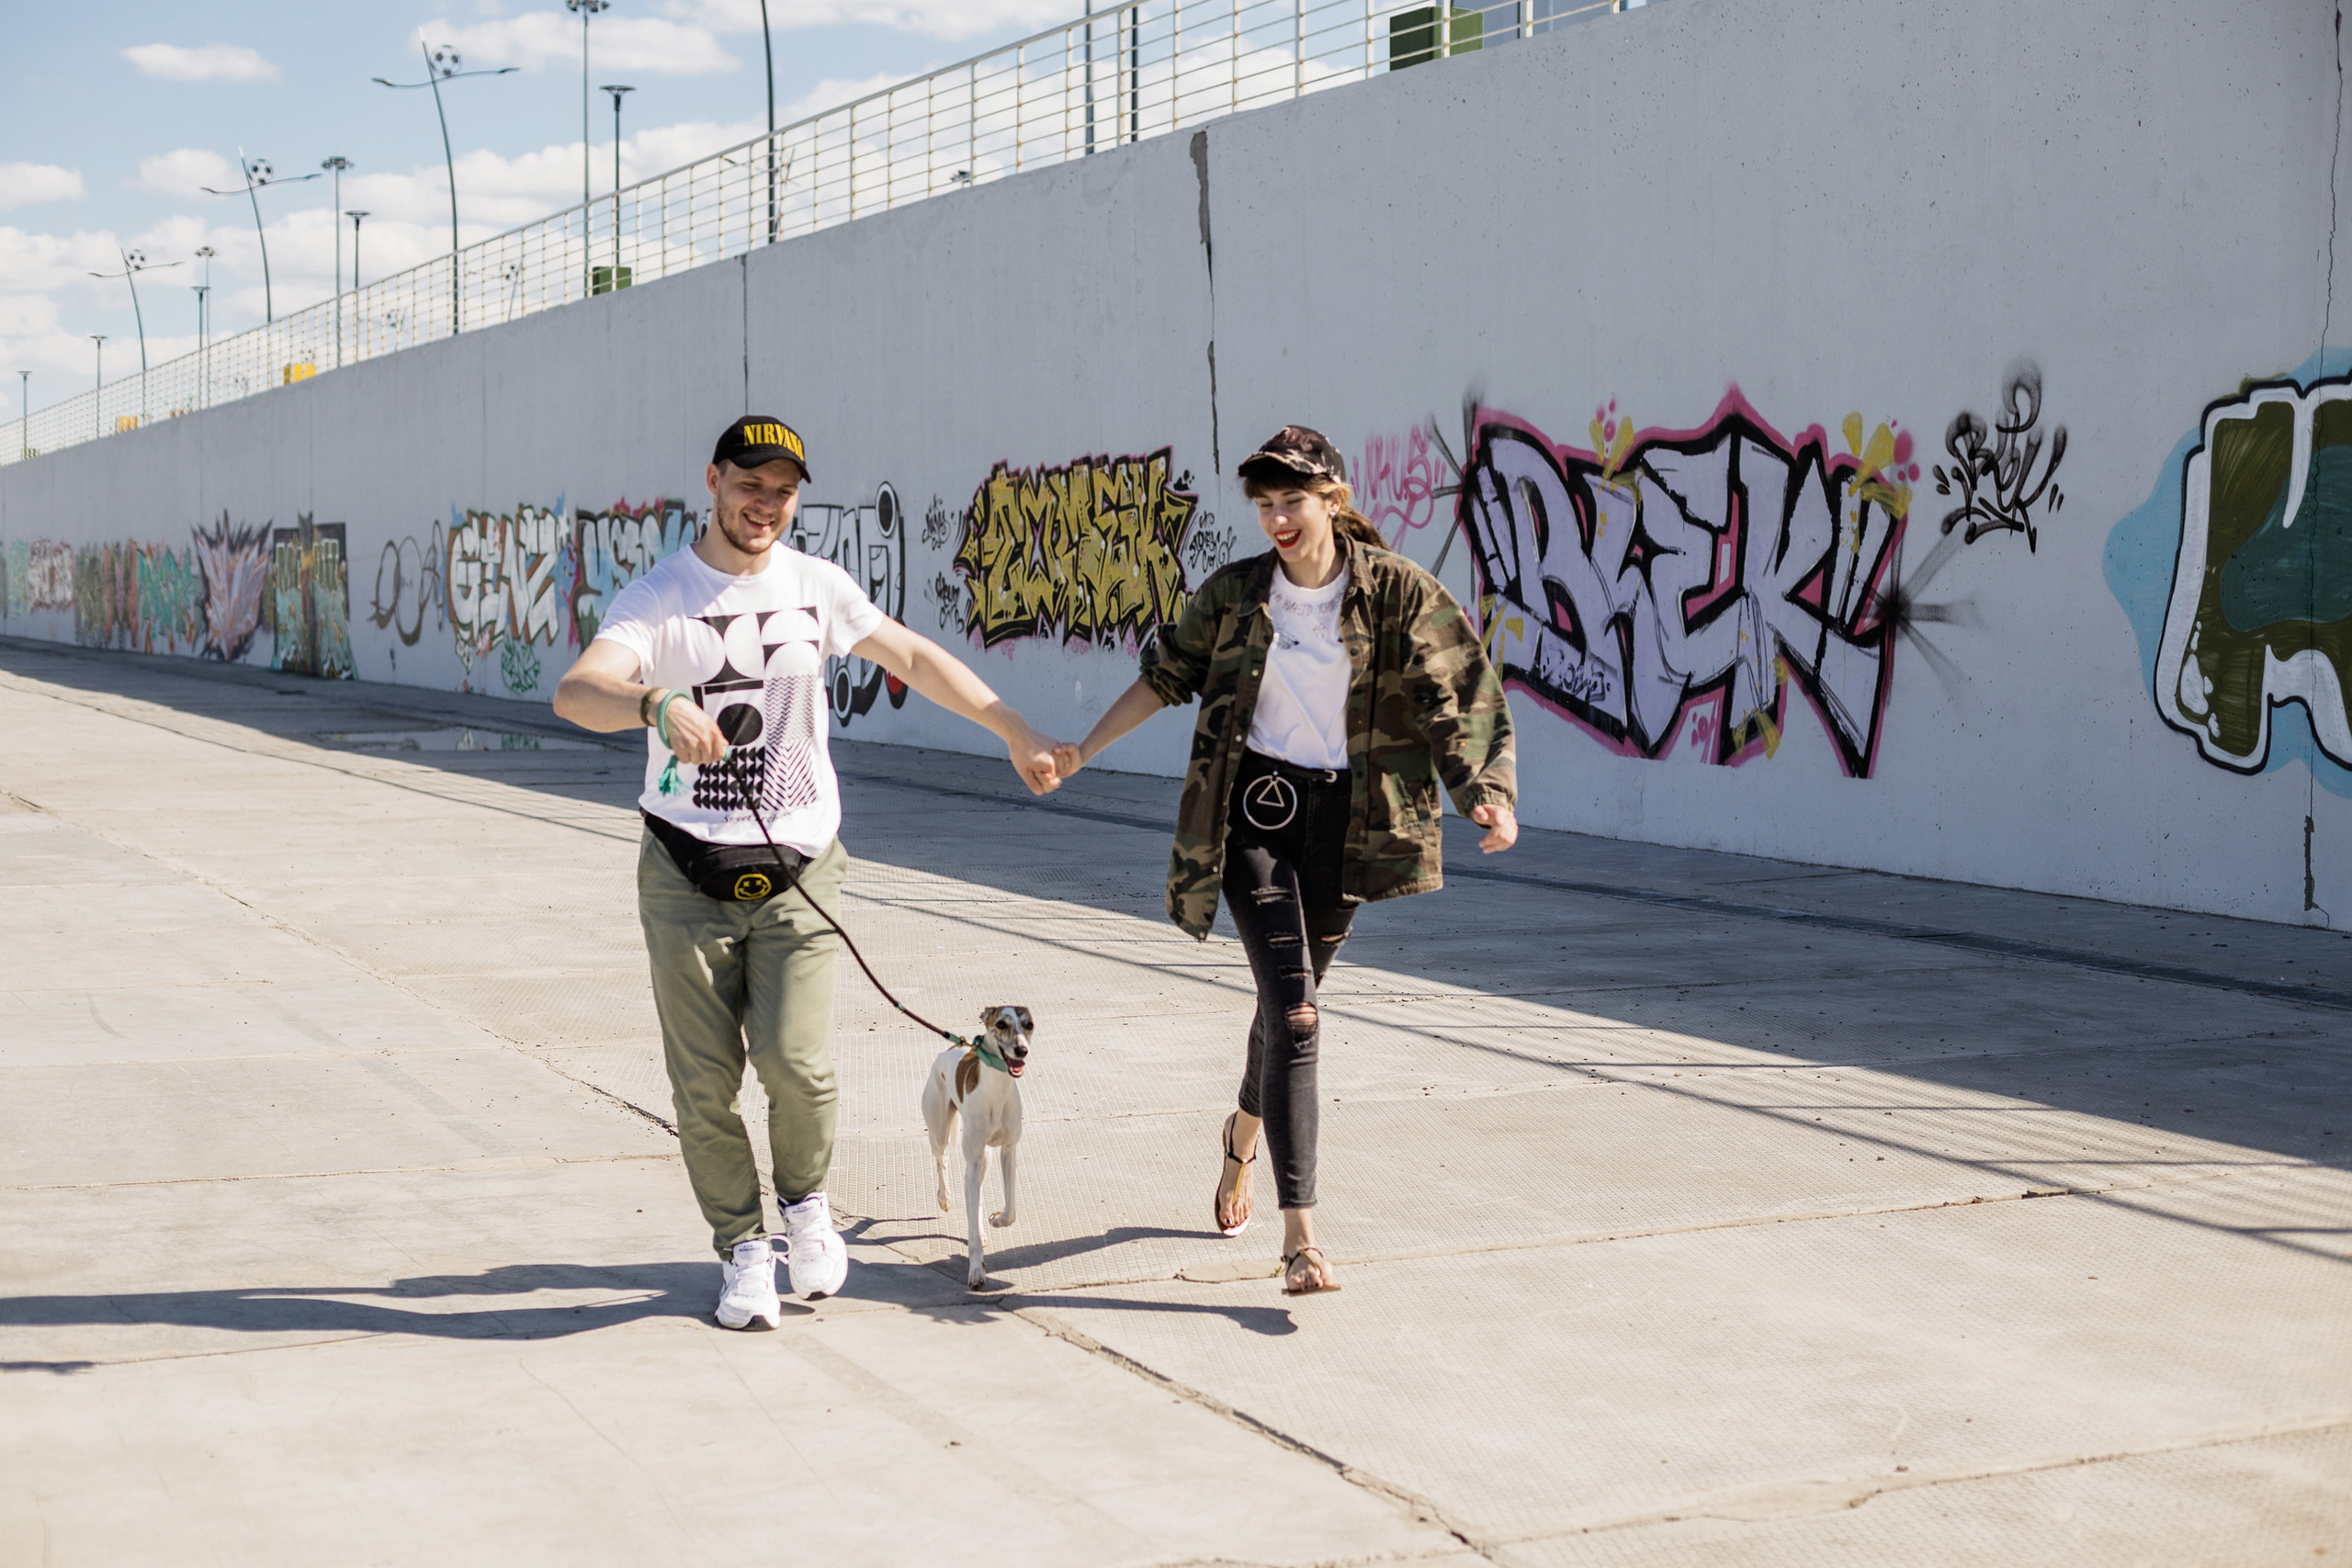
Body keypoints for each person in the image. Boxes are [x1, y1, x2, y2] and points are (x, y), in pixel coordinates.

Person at [554, 415, 1064, 1329]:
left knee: (798, 1064)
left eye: (784, 489)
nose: (766, 504)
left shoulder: (815, 586)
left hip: (799, 860)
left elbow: (908, 655)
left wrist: (1012, 727)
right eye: (750, 483)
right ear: (712, 480)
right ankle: (743, 1250)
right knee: (704, 1082)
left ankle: (805, 1211)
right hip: (684, 863)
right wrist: (652, 700)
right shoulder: (661, 595)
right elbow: (577, 690)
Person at [1055, 425, 1517, 1296]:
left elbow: (1461, 690)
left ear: (1333, 500)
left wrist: (1486, 791)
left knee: (1284, 1005)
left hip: (1349, 821)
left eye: (1292, 501)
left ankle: (1240, 1133)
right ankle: (1301, 1237)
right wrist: (1082, 748)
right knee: (1298, 1011)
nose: (1277, 518)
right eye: (1264, 504)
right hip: (1253, 815)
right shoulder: (1235, 595)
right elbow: (1166, 675)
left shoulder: (1397, 592)